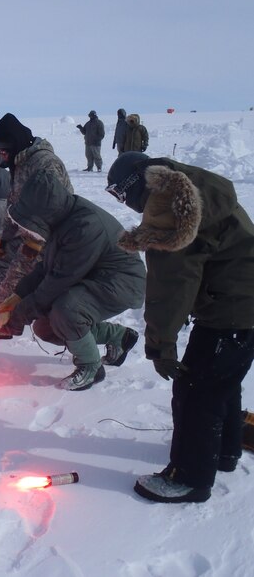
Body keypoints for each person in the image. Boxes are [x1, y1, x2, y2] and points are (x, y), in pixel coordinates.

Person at [106, 151, 254, 503]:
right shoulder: (188, 185)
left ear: (134, 186)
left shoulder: (166, 209)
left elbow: (171, 287)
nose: (125, 204)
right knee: (221, 382)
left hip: (232, 307)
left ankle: (190, 477)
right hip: (243, 300)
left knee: (195, 391)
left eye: (122, 196)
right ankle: (224, 452)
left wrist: (160, 344)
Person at [0, 169, 146, 390]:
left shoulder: (85, 227)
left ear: (44, 210)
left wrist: (18, 316)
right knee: (44, 326)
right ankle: (119, 337)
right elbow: (46, 268)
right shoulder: (62, 220)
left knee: (66, 310)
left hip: (122, 283)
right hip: (95, 278)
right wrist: (17, 296)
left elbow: (57, 283)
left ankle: (91, 367)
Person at [0, 113, 74, 333]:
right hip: (30, 230)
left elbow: (55, 207)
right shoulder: (20, 162)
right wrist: (5, 236)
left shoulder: (44, 164)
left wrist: (36, 242)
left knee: (24, 275)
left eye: (3, 151)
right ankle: (3, 313)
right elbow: (14, 203)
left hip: (55, 237)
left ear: (15, 145)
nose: (1, 156)